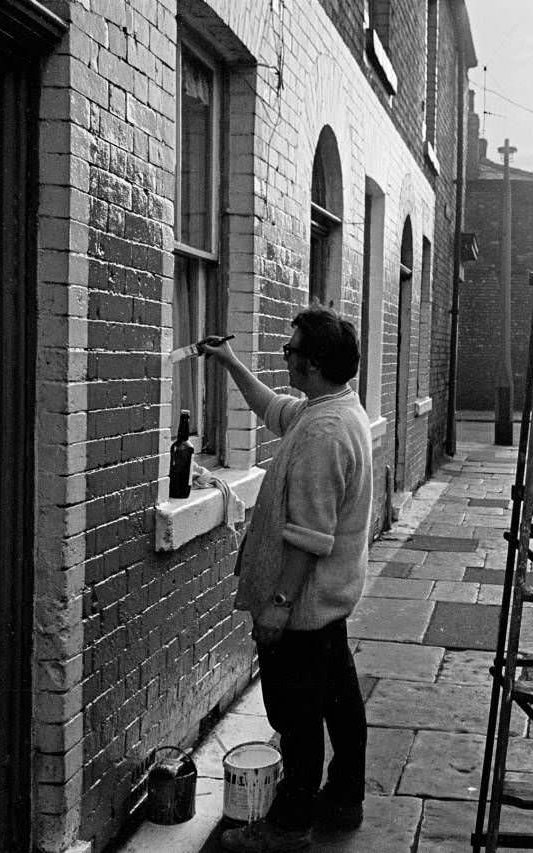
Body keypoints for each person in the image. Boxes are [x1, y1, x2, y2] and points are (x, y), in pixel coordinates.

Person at [201, 305, 372, 853]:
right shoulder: (331, 408)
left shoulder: (324, 432)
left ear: (314, 363)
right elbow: (272, 408)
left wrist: (277, 605)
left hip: (303, 605)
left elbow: (308, 537)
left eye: (291, 350)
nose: (285, 357)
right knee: (339, 704)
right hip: (327, 602)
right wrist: (230, 361)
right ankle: (343, 800)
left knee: (296, 717)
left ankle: (290, 825)